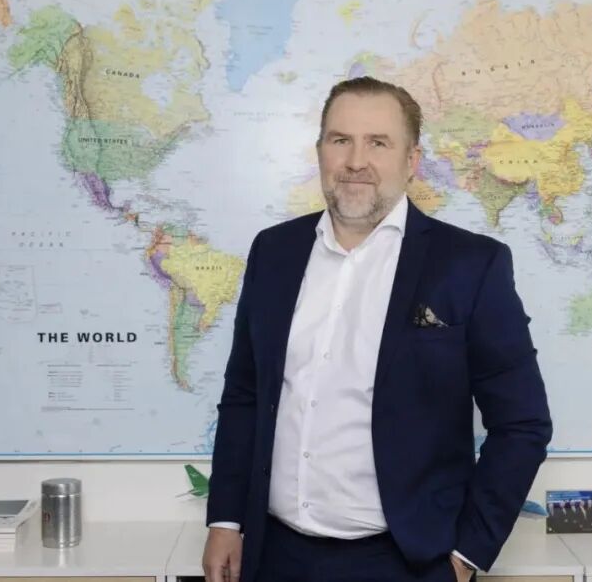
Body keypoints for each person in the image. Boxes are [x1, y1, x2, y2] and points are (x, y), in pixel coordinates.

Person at [202, 76, 553, 582]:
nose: (355, 161)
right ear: (320, 151)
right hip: (273, 556)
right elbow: (245, 396)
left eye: (378, 143)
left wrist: (466, 556)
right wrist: (225, 520)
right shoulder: (273, 252)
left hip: (407, 563)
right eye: (340, 140)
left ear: (412, 161)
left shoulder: (470, 266)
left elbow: (522, 424)